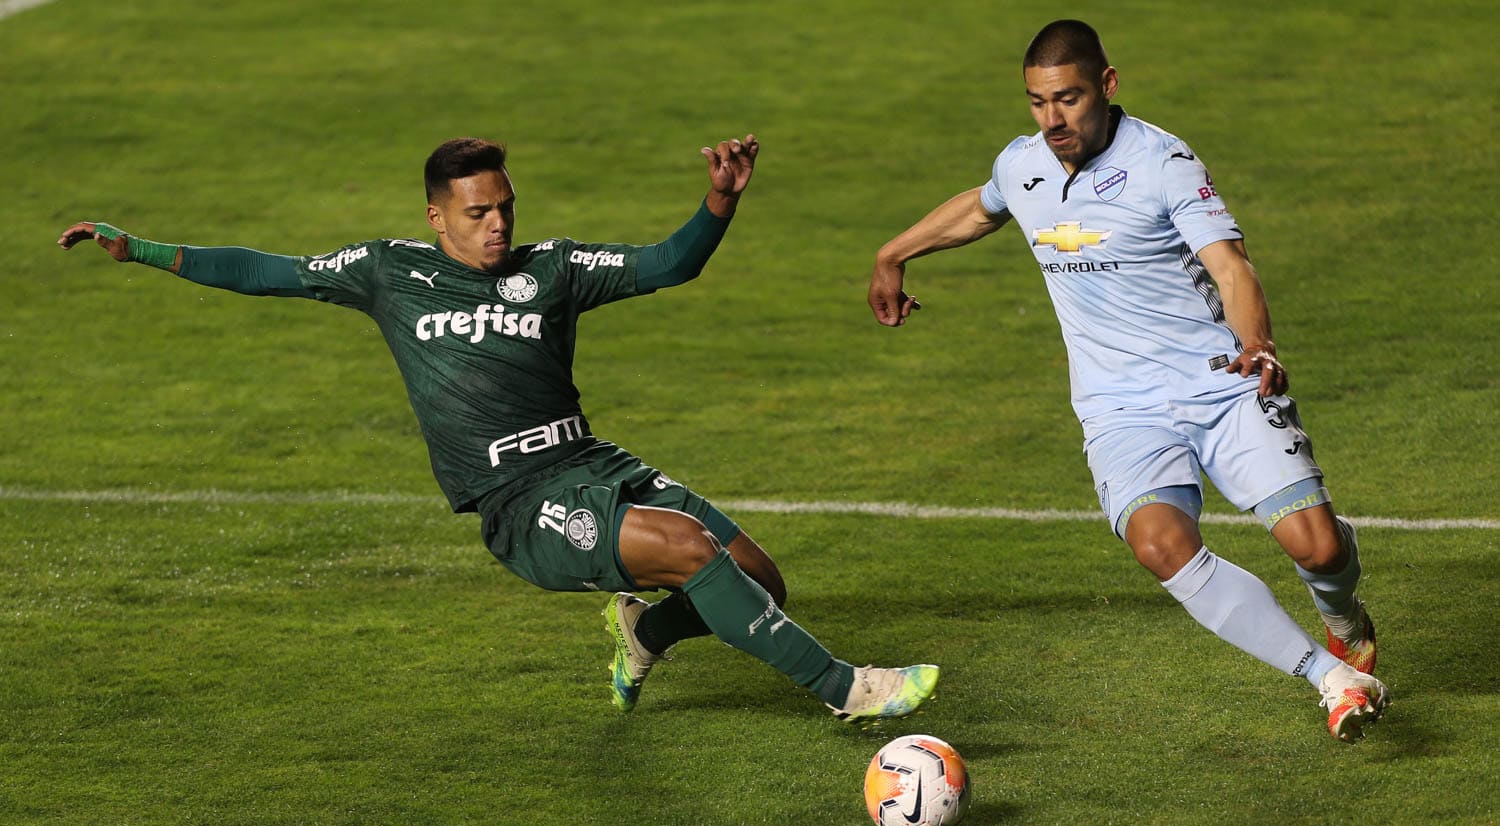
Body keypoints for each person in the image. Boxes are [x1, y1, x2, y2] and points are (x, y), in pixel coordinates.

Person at [58, 134, 938, 722]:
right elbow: (265, 270)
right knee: (688, 548)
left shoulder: (551, 270)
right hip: (518, 504)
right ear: (437, 217)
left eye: (505, 207)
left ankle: (646, 634)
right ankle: (846, 689)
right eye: (478, 213)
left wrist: (718, 201)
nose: (498, 225)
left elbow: (671, 265)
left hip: (591, 462)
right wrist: (140, 248)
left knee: (760, 580)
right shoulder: (386, 274)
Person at [867, 20, 1387, 741]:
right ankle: (1329, 677)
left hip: (1217, 380)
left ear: (1107, 86)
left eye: (1069, 99)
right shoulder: (1024, 165)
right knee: (1160, 546)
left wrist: (1258, 343)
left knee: (1320, 550)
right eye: (1038, 102)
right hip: (1119, 408)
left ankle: (1341, 615)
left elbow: (1230, 265)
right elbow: (984, 205)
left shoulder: (1162, 160)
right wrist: (894, 253)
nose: (1054, 120)